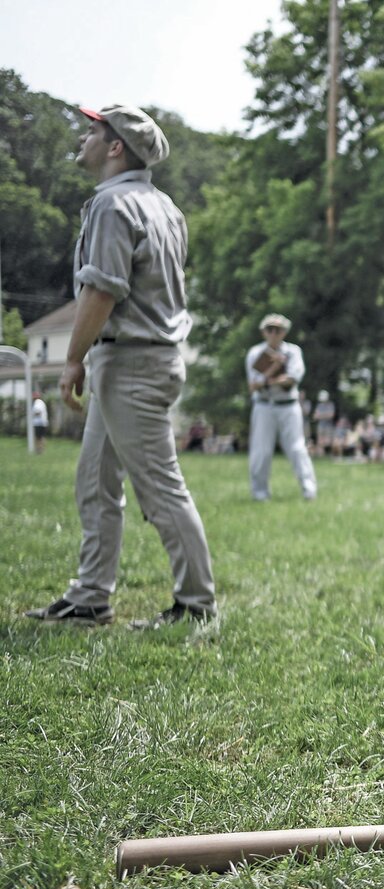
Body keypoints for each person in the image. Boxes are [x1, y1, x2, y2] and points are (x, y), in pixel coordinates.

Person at [24, 105, 215, 628]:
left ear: (115, 148)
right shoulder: (165, 205)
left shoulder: (112, 204)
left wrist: (71, 358)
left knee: (160, 488)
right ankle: (90, 597)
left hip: (131, 361)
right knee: (95, 479)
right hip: (143, 359)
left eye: (93, 130)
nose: (82, 137)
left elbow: (102, 289)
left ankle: (198, 606)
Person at [245, 313, 317, 500]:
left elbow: (291, 380)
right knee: (261, 451)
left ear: (284, 332)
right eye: (270, 329)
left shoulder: (293, 351)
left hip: (288, 406)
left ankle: (309, 490)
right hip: (263, 406)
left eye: (278, 330)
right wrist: (274, 368)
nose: (274, 333)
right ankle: (259, 493)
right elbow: (253, 385)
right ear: (264, 332)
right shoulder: (255, 353)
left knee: (297, 448)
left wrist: (267, 380)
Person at [313, 390, 336, 456]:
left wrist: (320, 415)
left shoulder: (331, 405)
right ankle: (321, 455)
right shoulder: (319, 405)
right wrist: (325, 415)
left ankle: (332, 454)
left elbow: (331, 416)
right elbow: (315, 416)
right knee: (320, 441)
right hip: (321, 425)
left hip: (328, 426)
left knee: (328, 441)